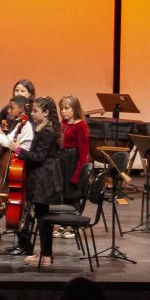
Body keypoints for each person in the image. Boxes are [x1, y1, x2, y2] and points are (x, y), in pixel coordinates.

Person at [0, 96, 63, 264]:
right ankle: (43, 253)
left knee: (43, 219)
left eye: (35, 111)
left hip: (44, 180)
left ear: (46, 113)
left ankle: (46, 255)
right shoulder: (42, 127)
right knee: (41, 218)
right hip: (40, 178)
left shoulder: (47, 131)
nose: (32, 114)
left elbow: (39, 157)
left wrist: (17, 149)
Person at [58, 94, 90, 237]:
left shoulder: (80, 126)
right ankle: (63, 223)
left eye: (66, 108)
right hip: (62, 160)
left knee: (72, 195)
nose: (63, 111)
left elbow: (84, 154)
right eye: (61, 108)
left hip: (73, 161)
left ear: (74, 109)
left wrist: (79, 174)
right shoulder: (63, 124)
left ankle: (73, 225)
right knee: (63, 194)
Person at [0, 79, 35, 147]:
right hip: (6, 148)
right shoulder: (7, 110)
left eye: (22, 91)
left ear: (30, 94)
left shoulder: (33, 111)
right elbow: (2, 127)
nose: (18, 93)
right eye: (16, 90)